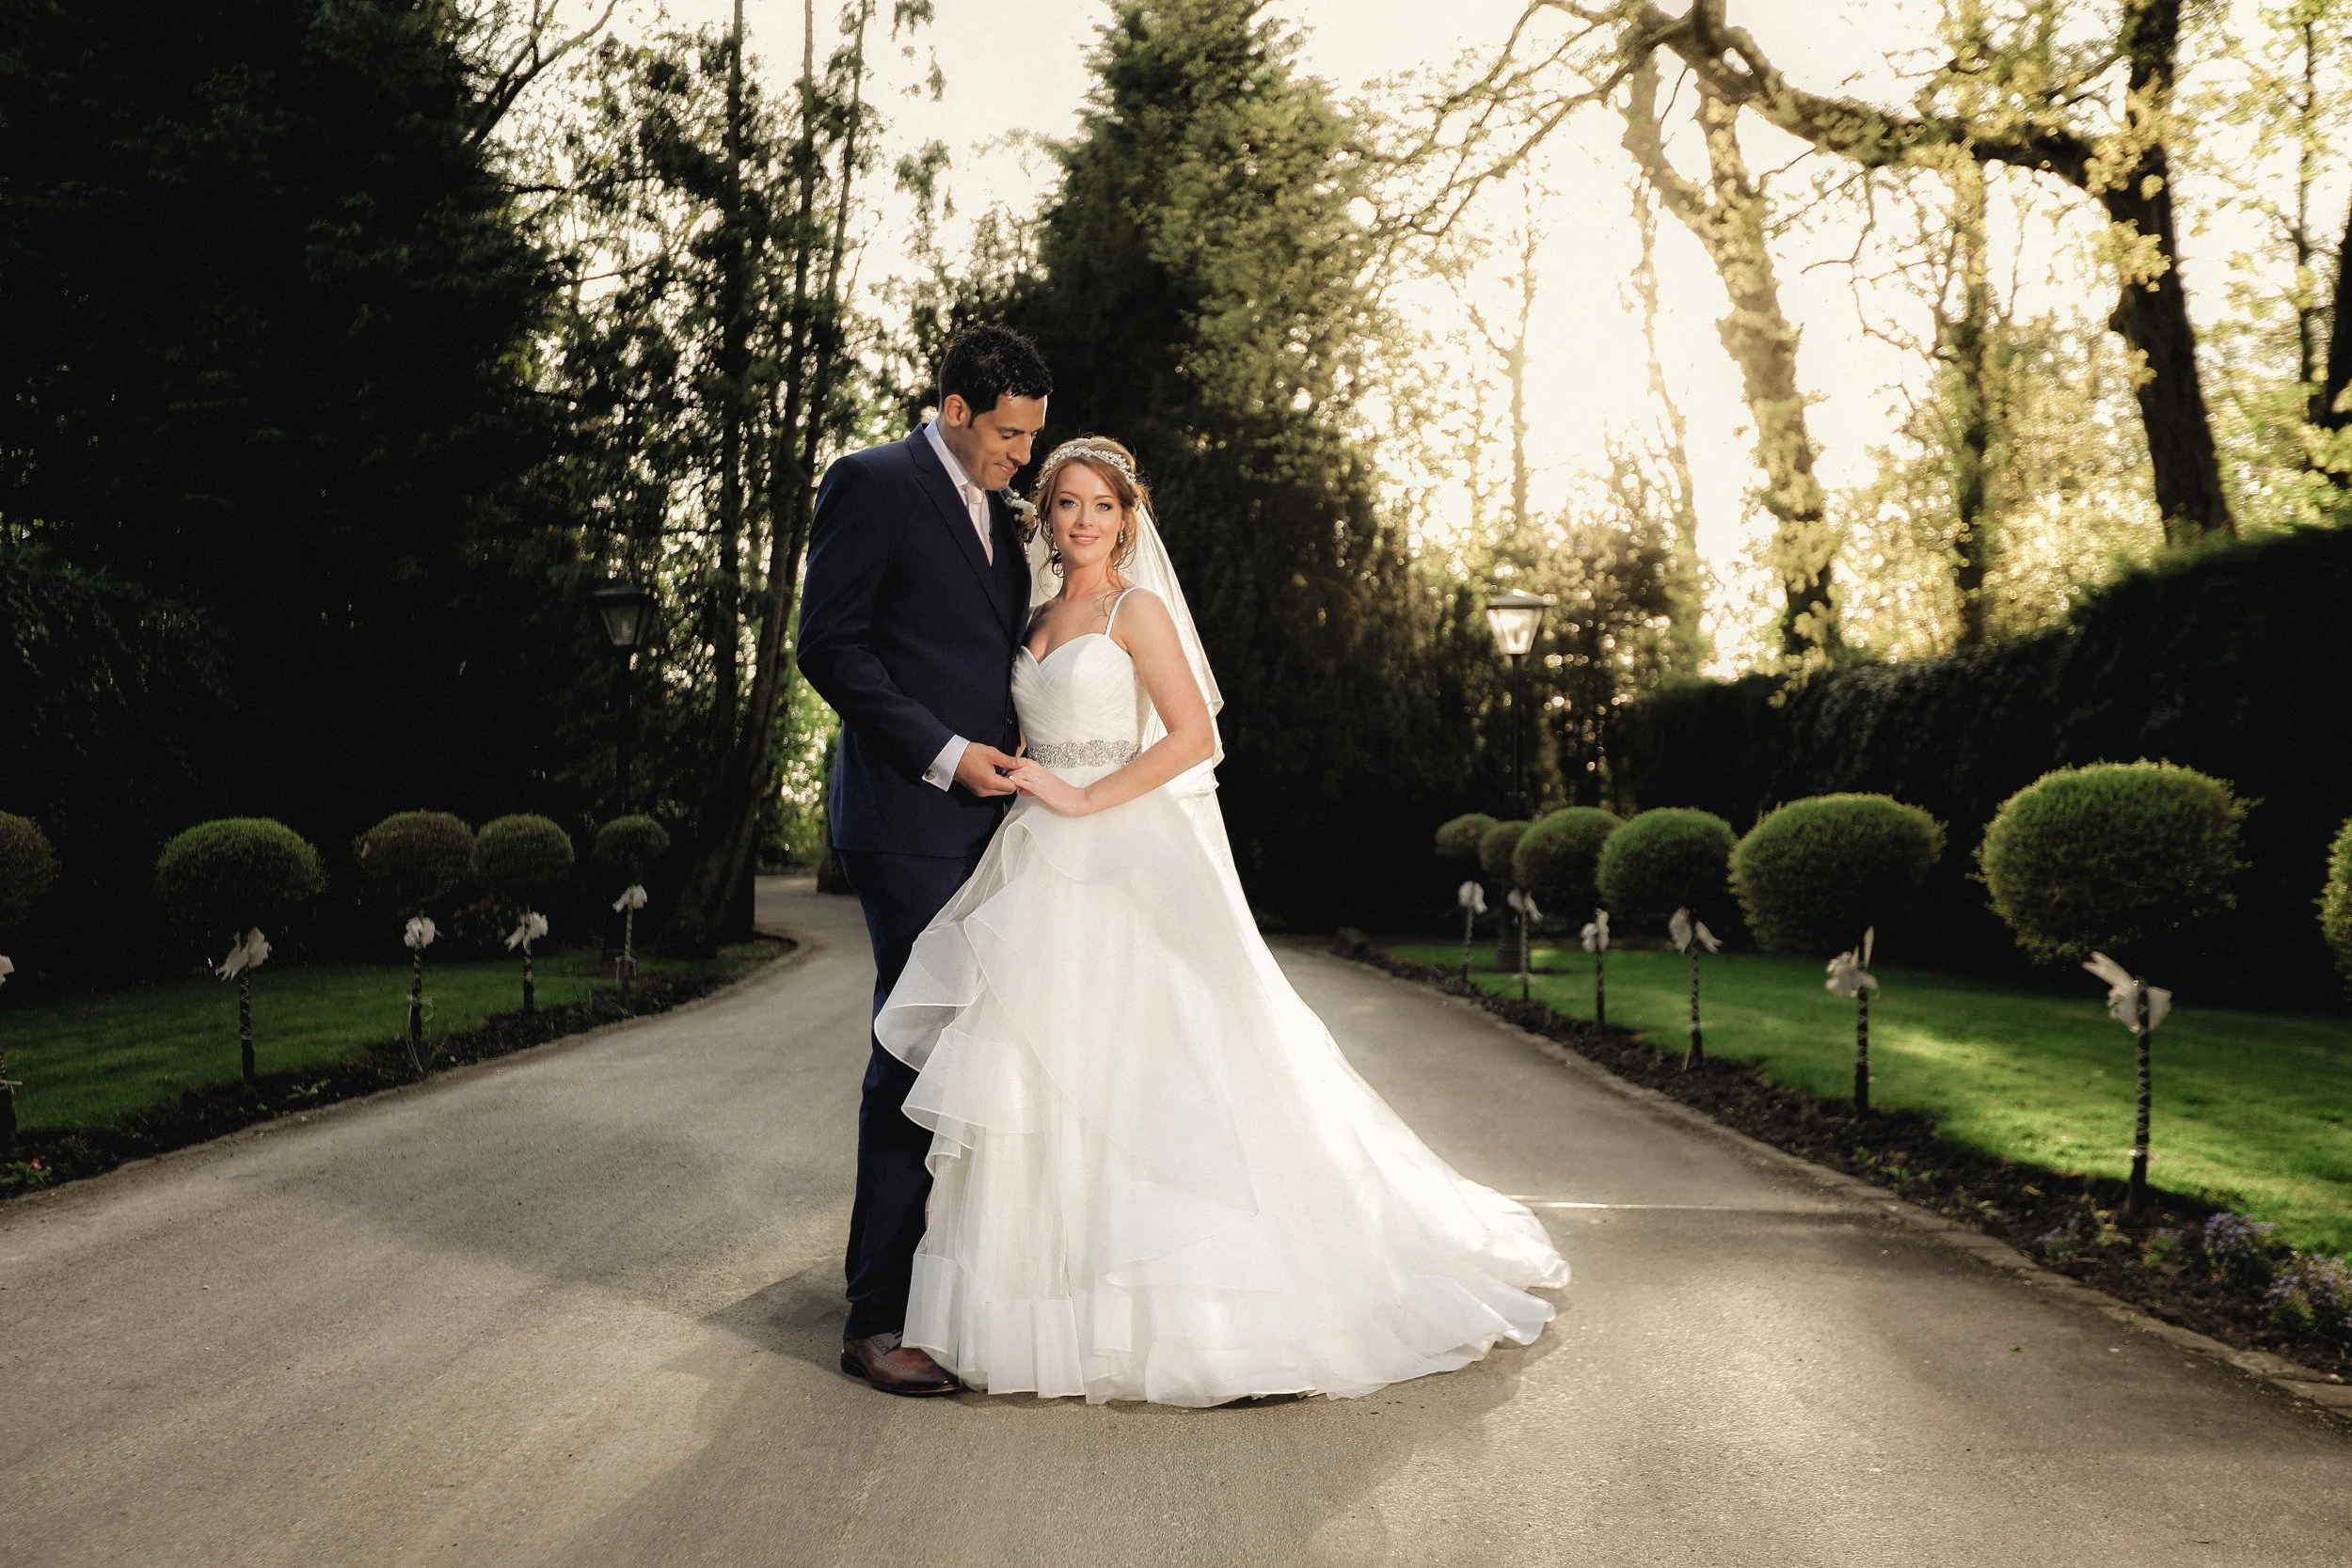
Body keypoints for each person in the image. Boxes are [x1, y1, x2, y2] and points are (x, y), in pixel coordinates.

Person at [872, 436, 1568, 1406]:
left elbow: (1196, 735)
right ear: (1043, 513)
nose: (1081, 521)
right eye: (1065, 503)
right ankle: (1046, 1307)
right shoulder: (1031, 613)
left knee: (1149, 1065)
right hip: (1034, 854)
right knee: (1041, 1068)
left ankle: (1198, 1315)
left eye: (1101, 506)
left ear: (1129, 516)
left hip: (1114, 845)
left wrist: (1081, 797)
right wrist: (1029, 781)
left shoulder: (1135, 608)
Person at [797, 325, 1051, 1396]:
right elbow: (831, 646)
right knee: (914, 1043)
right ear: (954, 408)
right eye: (1007, 433)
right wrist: (947, 756)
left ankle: (945, 1282)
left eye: (1032, 437)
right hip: (906, 817)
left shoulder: (1000, 511)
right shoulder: (870, 482)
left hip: (990, 822)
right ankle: (874, 1320)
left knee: (974, 1046)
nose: (1022, 456)